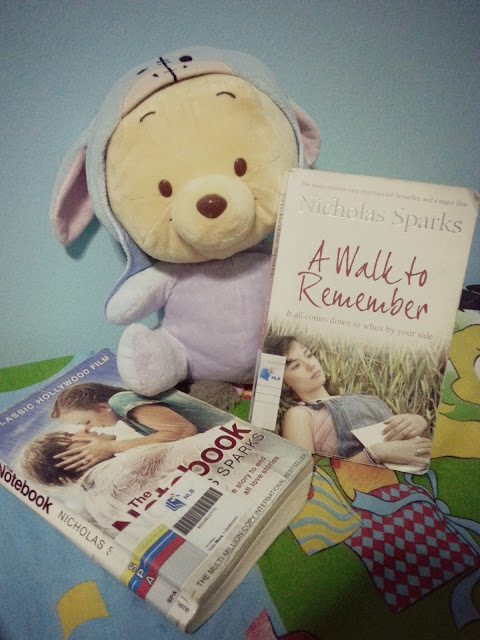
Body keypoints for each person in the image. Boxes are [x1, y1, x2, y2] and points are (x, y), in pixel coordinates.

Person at [265, 334, 432, 469]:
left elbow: (411, 446)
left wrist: (418, 424)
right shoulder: (300, 414)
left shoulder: (363, 398)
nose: (310, 364)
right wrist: (376, 453)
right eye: (296, 366)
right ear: (283, 382)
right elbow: (307, 475)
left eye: (309, 355)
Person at [21, 426, 216, 534]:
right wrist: (113, 447)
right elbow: (211, 442)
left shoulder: (94, 506)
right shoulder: (126, 464)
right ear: (68, 458)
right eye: (70, 435)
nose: (84, 429)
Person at [50, 382, 200, 473]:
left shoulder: (120, 401)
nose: (87, 428)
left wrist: (112, 447)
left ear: (103, 407)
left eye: (87, 421)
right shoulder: (126, 415)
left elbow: (184, 430)